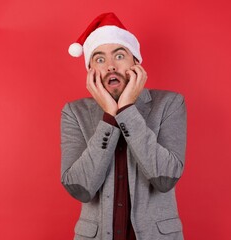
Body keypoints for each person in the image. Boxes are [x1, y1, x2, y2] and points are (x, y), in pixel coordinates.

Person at [61, 12, 187, 240]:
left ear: (136, 62)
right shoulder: (74, 112)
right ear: (90, 71)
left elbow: (165, 178)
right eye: (99, 59)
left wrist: (127, 110)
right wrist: (109, 116)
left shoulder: (169, 104)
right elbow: (80, 188)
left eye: (119, 55)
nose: (110, 66)